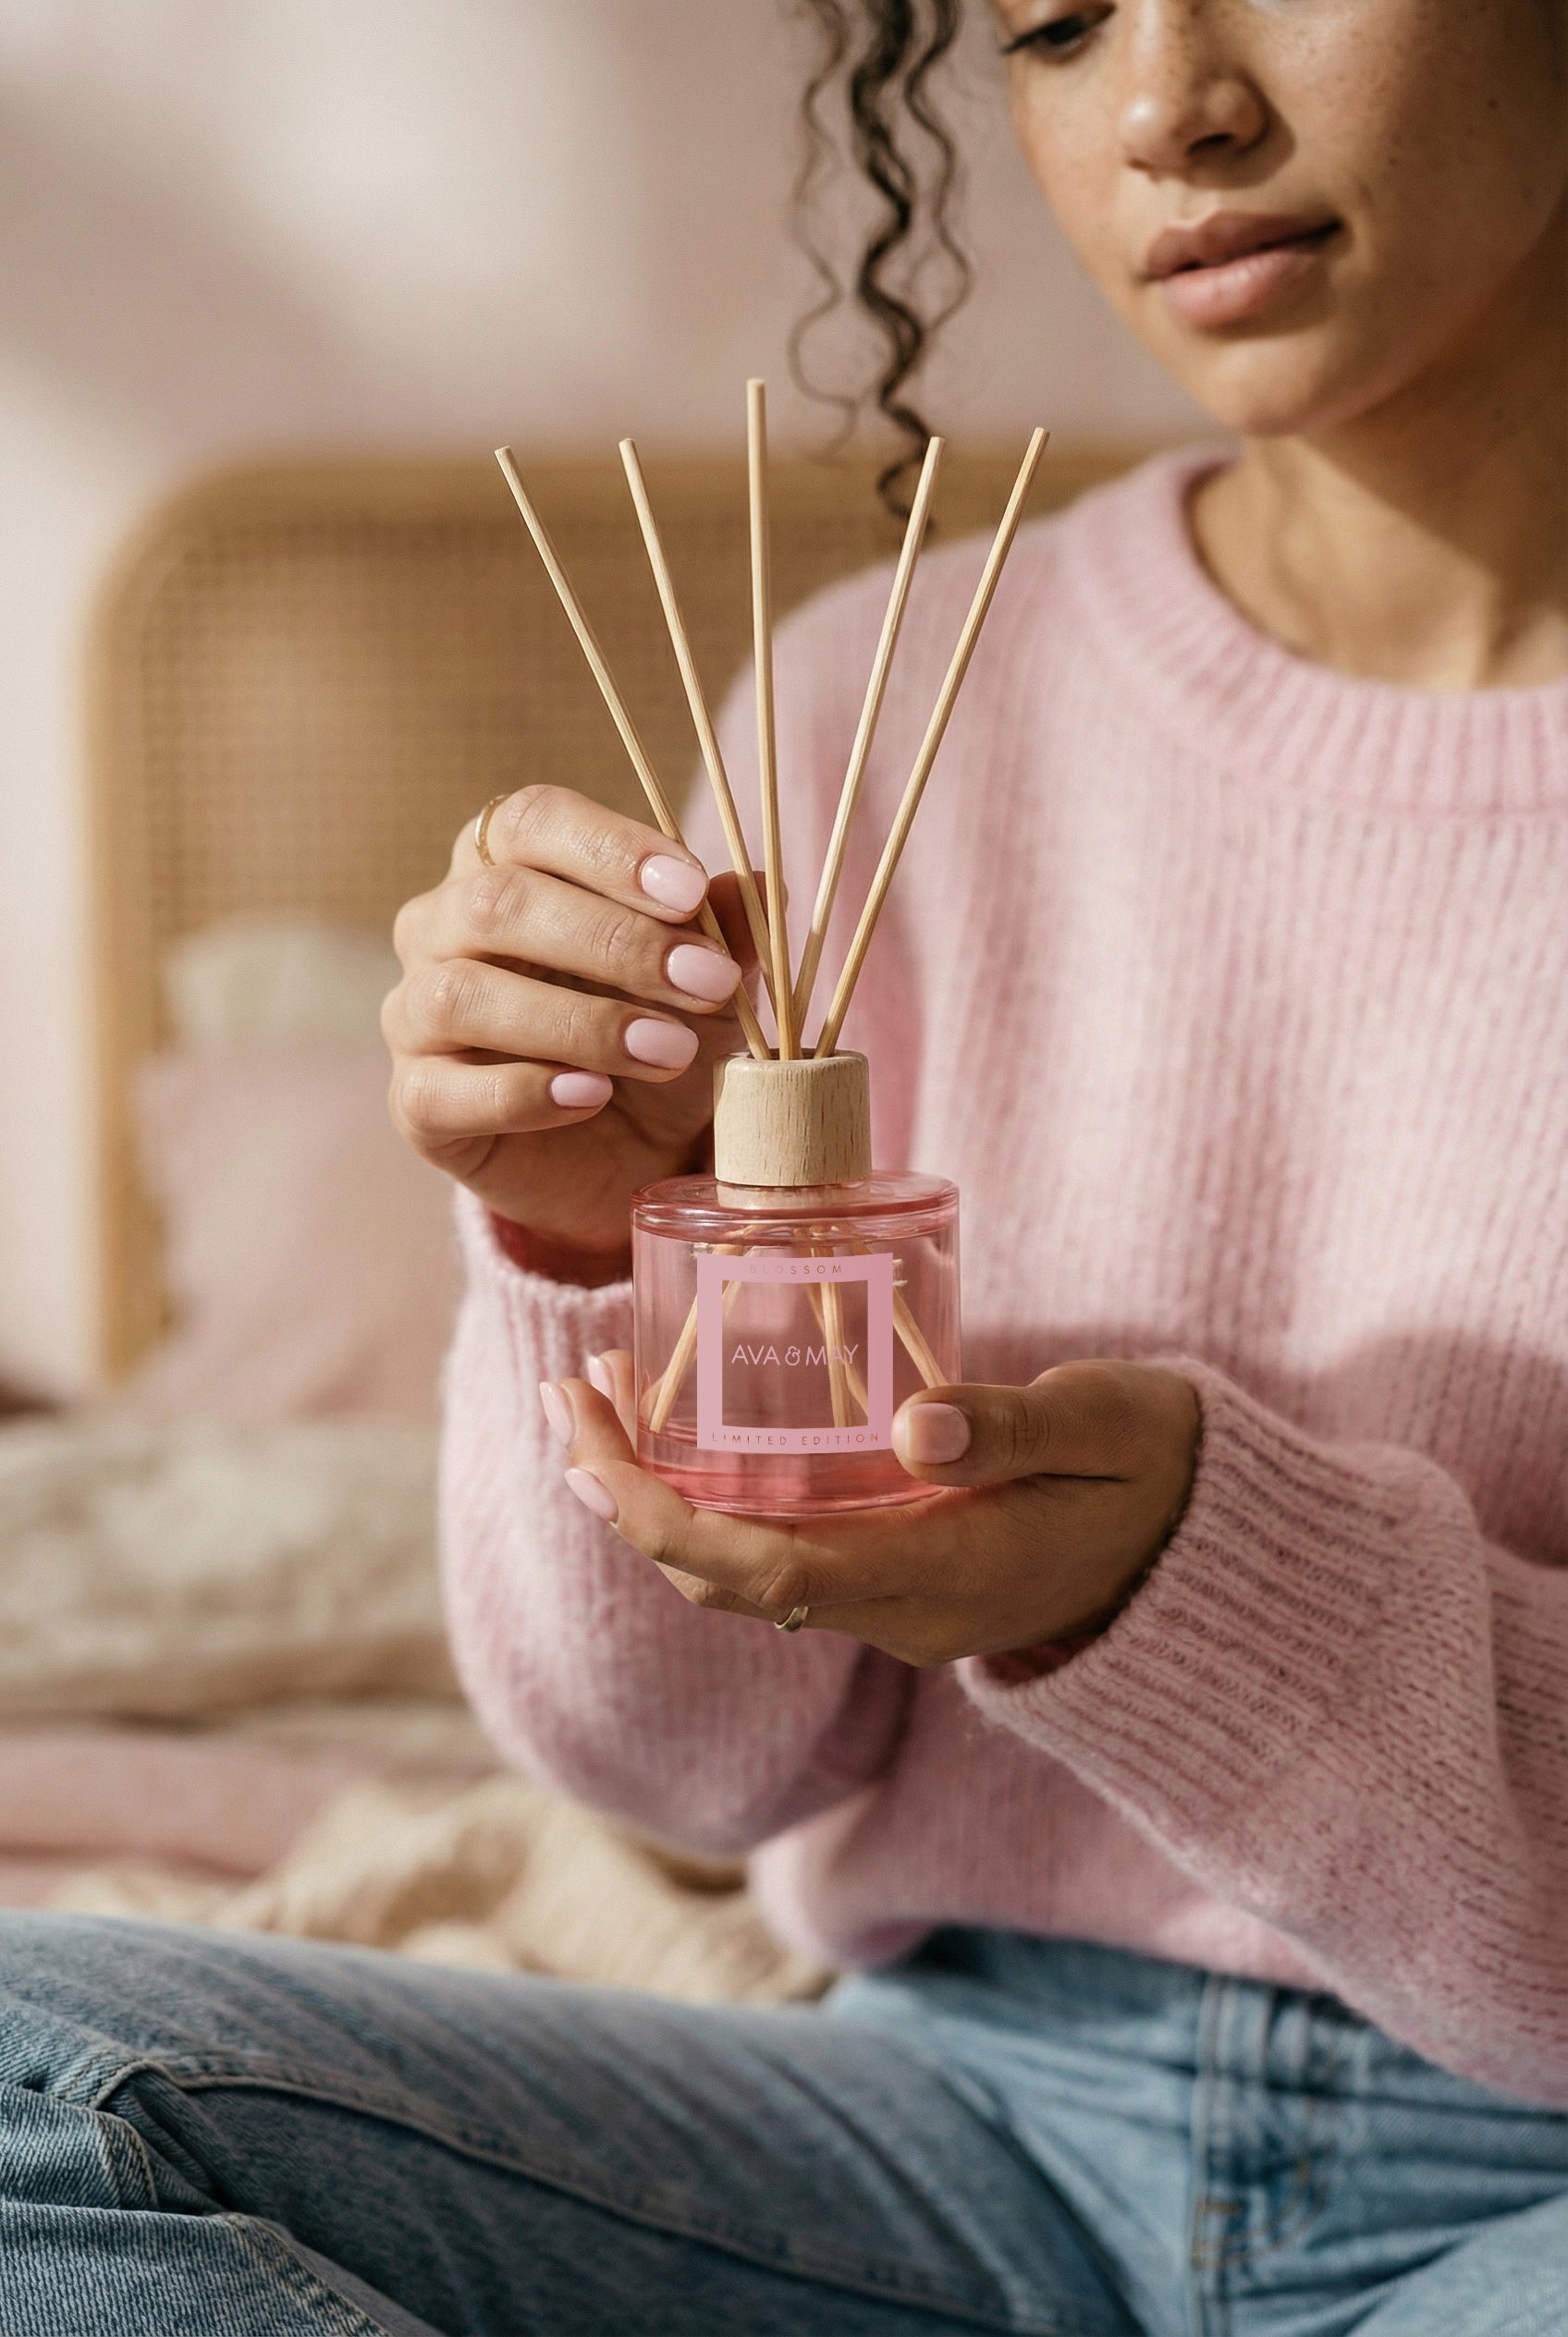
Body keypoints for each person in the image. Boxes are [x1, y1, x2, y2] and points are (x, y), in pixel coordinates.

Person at [4, 4, 1565, 2331]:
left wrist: (1178, 1584)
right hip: (959, 2130)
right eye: (1049, 23)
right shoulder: (878, 717)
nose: (1165, 109)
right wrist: (579, 1246)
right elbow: (683, 1782)